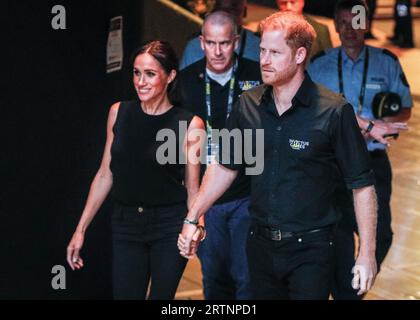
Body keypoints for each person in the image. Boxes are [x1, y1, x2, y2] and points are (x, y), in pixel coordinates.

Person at [179, 11, 378, 300]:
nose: (264, 60)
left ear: (299, 55)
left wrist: (367, 254)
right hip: (260, 246)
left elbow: (362, 186)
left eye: (274, 52)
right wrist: (192, 217)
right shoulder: (248, 104)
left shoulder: (334, 111)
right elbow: (224, 167)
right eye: (261, 50)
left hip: (312, 250)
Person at [66, 40, 205, 300]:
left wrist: (196, 226)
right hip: (126, 225)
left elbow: (193, 188)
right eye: (136, 72)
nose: (141, 81)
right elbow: (105, 173)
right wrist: (80, 229)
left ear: (170, 76)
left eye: (150, 74)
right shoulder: (118, 113)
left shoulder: (190, 125)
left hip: (168, 226)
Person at [308, 0, 412, 299]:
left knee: (382, 234)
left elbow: (404, 108)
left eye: (356, 22)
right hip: (334, 164)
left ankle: (351, 292)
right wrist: (366, 125)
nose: (349, 29)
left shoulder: (386, 62)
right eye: (343, 23)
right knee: (337, 233)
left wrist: (386, 123)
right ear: (336, 26)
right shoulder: (320, 65)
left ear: (365, 24)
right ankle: (343, 291)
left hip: (373, 161)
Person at [179, 10, 262, 300]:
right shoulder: (187, 81)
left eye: (224, 43)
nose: (217, 51)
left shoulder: (258, 76)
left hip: (247, 194)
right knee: (213, 277)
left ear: (236, 42)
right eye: (211, 43)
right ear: (201, 43)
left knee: (247, 276)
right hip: (207, 199)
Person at [180, 0, 260, 70]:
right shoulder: (194, 47)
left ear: (245, 11)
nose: (226, 14)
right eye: (220, 8)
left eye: (233, 8)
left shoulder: (260, 47)